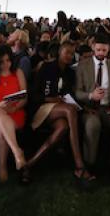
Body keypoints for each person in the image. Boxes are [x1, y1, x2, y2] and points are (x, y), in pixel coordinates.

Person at [28, 42, 94, 186]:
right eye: (67, 52)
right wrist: (50, 98)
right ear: (59, 52)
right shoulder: (46, 67)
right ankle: (79, 164)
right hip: (42, 108)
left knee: (63, 127)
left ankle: (30, 163)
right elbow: (33, 94)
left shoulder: (70, 73)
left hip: (59, 109)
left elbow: (70, 95)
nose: (70, 56)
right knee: (69, 110)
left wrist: (83, 107)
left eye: (72, 53)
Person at [75, 34, 110, 185]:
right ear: (93, 48)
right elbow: (77, 92)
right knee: (92, 125)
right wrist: (90, 95)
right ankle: (89, 165)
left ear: (109, 49)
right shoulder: (83, 65)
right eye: (98, 49)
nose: (101, 53)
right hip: (89, 108)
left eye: (104, 50)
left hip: (108, 107)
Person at [0, 45, 28, 183]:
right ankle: (17, 152)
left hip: (15, 111)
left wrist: (14, 108)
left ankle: (2, 165)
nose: (5, 64)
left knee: (1, 130)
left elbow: (24, 97)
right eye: (2, 61)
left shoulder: (18, 72)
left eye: (8, 60)